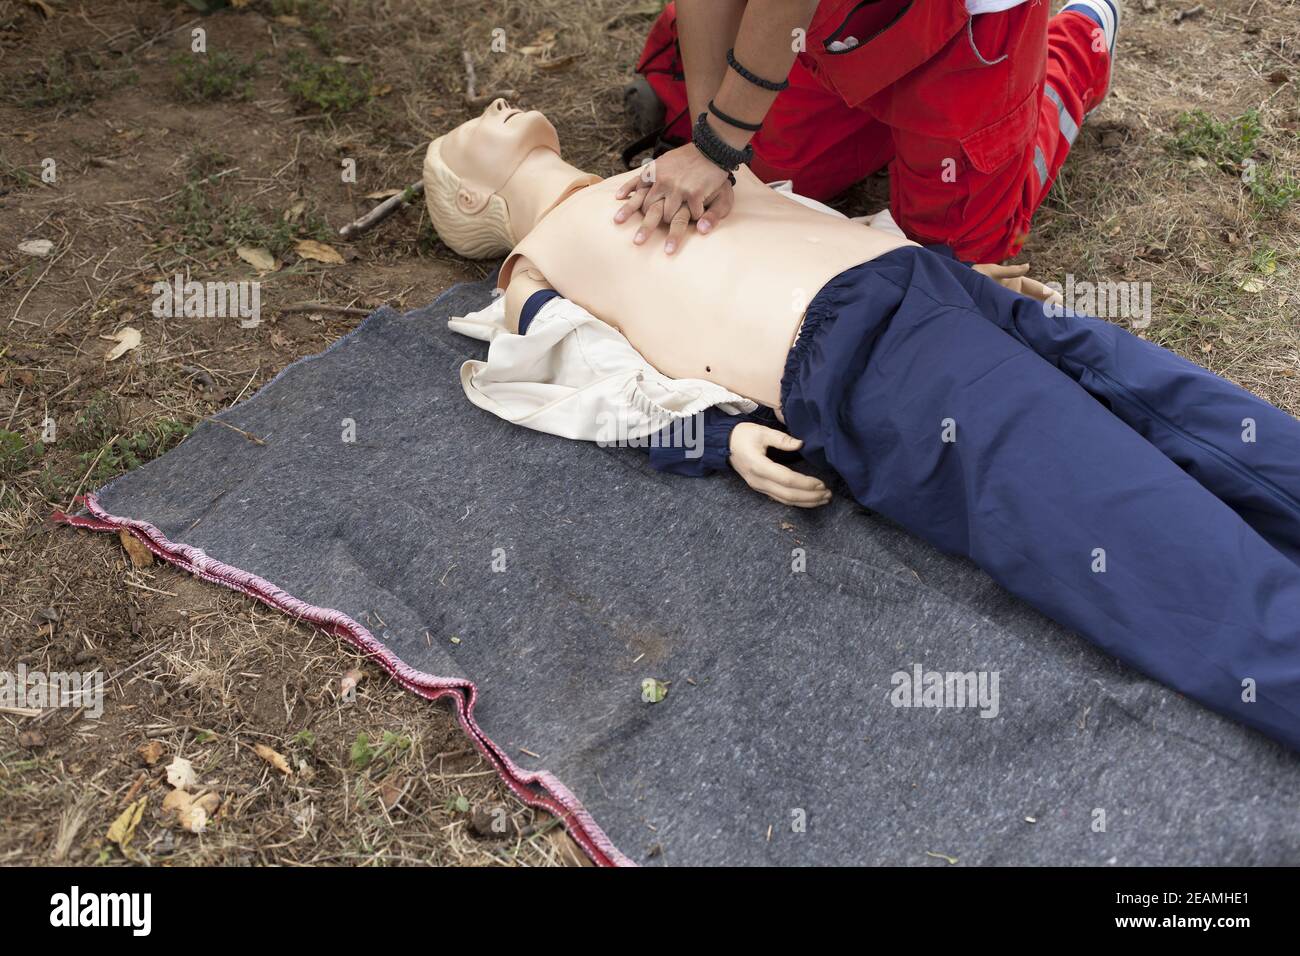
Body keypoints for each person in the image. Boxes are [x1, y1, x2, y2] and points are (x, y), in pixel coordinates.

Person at [424, 101, 1300, 754]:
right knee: (1146, 533)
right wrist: (710, 438)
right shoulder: (531, 270)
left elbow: (795, 224)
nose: (498, 105)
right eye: (477, 121)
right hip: (870, 366)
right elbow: (582, 378)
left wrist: (944, 270)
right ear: (466, 193)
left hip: (932, 291)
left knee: (1210, 423)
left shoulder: (666, 164)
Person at [622, 0, 1121, 262]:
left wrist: (715, 149)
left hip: (963, 24)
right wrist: (709, 136)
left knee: (952, 258)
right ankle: (891, 117)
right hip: (833, 23)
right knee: (774, 177)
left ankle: (1078, 46)